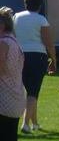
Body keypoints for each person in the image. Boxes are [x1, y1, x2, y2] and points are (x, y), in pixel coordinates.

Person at [14, 0, 54, 134]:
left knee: (30, 91)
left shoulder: (16, 17)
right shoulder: (41, 19)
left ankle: (35, 123)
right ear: (40, 5)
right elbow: (48, 42)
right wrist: (54, 59)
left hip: (19, 56)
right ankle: (25, 123)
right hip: (37, 56)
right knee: (33, 91)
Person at [0, 7, 25, 140]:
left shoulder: (3, 43)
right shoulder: (14, 41)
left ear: (2, 26)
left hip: (3, 101)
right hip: (15, 98)